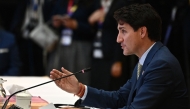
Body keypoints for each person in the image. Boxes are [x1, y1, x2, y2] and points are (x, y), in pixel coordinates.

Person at [50, 3, 189, 109]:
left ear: (142, 32)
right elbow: (120, 98)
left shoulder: (161, 65)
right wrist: (79, 89)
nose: (118, 39)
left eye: (123, 31)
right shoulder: (149, 58)